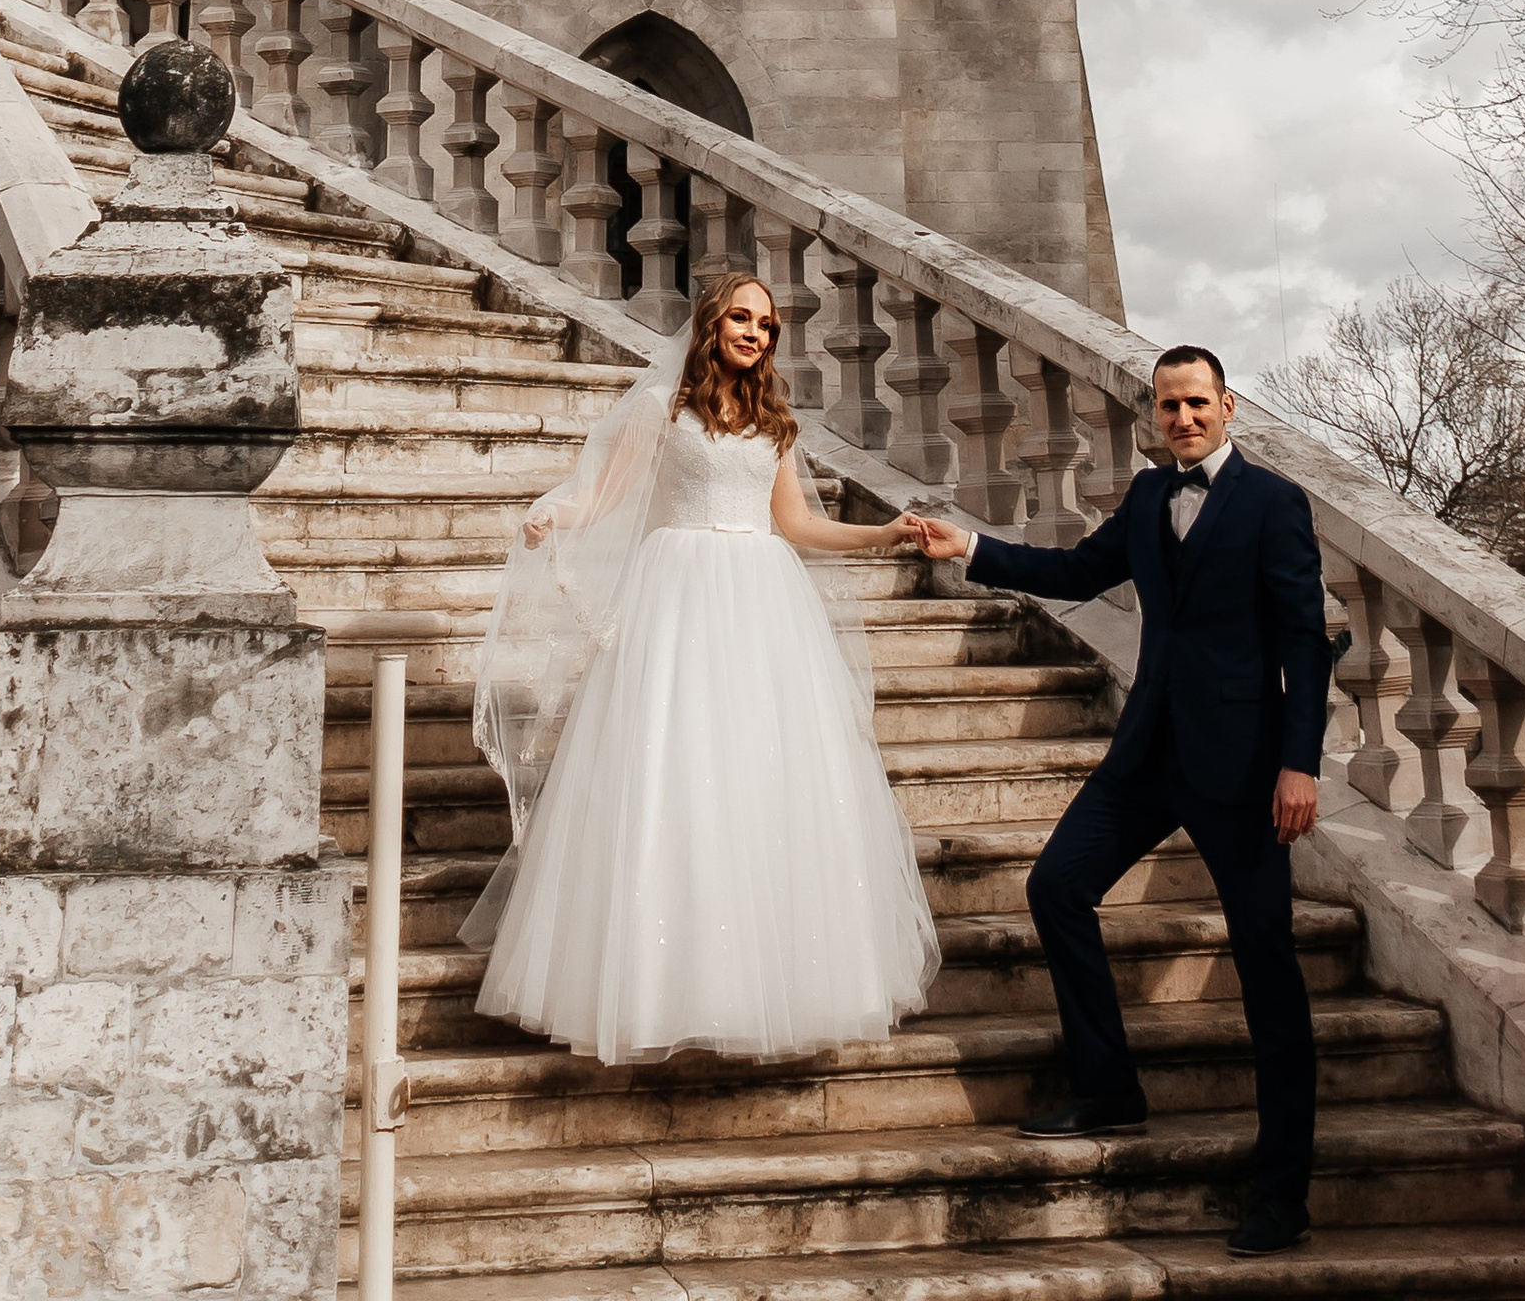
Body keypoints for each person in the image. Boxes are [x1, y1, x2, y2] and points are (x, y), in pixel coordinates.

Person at [913, 343, 1332, 1262]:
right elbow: (1078, 570)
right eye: (1167, 406)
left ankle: (1282, 1193)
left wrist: (1298, 765)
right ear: (1154, 415)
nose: (1181, 418)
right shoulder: (1147, 497)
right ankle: (1108, 1085)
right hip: (1148, 752)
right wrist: (972, 549)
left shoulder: (1272, 504)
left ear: (1228, 406)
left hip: (1245, 769)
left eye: (1196, 404)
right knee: (1058, 885)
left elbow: (1306, 639)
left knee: (1267, 974)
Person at [469, 266, 942, 1063]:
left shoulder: (774, 424)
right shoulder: (662, 408)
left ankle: (769, 981)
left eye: (767, 324)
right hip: (680, 595)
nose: (756, 333)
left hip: (762, 597)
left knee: (764, 778)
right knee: (674, 771)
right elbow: (605, 495)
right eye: (743, 318)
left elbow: (793, 525)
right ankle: (662, 987)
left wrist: (882, 535)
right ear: (713, 322)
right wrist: (558, 509)